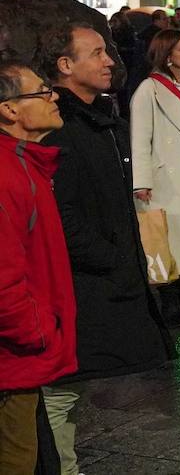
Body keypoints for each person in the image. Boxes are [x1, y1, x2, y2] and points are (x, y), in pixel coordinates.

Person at [37, 26, 172, 475]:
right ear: (65, 66)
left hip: (101, 274)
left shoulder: (99, 119)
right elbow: (63, 215)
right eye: (96, 53)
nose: (110, 60)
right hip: (76, 283)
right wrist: (112, 257)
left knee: (69, 389)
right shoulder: (59, 126)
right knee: (58, 389)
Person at [0, 60, 76, 475]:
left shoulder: (27, 163)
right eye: (42, 92)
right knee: (17, 459)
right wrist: (40, 332)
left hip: (19, 356)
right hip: (13, 359)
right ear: (9, 109)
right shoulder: (7, 173)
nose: (54, 96)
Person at [129, 28, 180, 325]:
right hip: (165, 177)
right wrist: (142, 181)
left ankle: (179, 289)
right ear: (167, 56)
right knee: (168, 240)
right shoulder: (147, 91)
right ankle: (170, 299)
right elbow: (140, 138)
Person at [0, 0, 126, 91]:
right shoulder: (91, 16)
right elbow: (116, 75)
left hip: (18, 101)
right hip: (74, 106)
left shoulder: (5, 11)